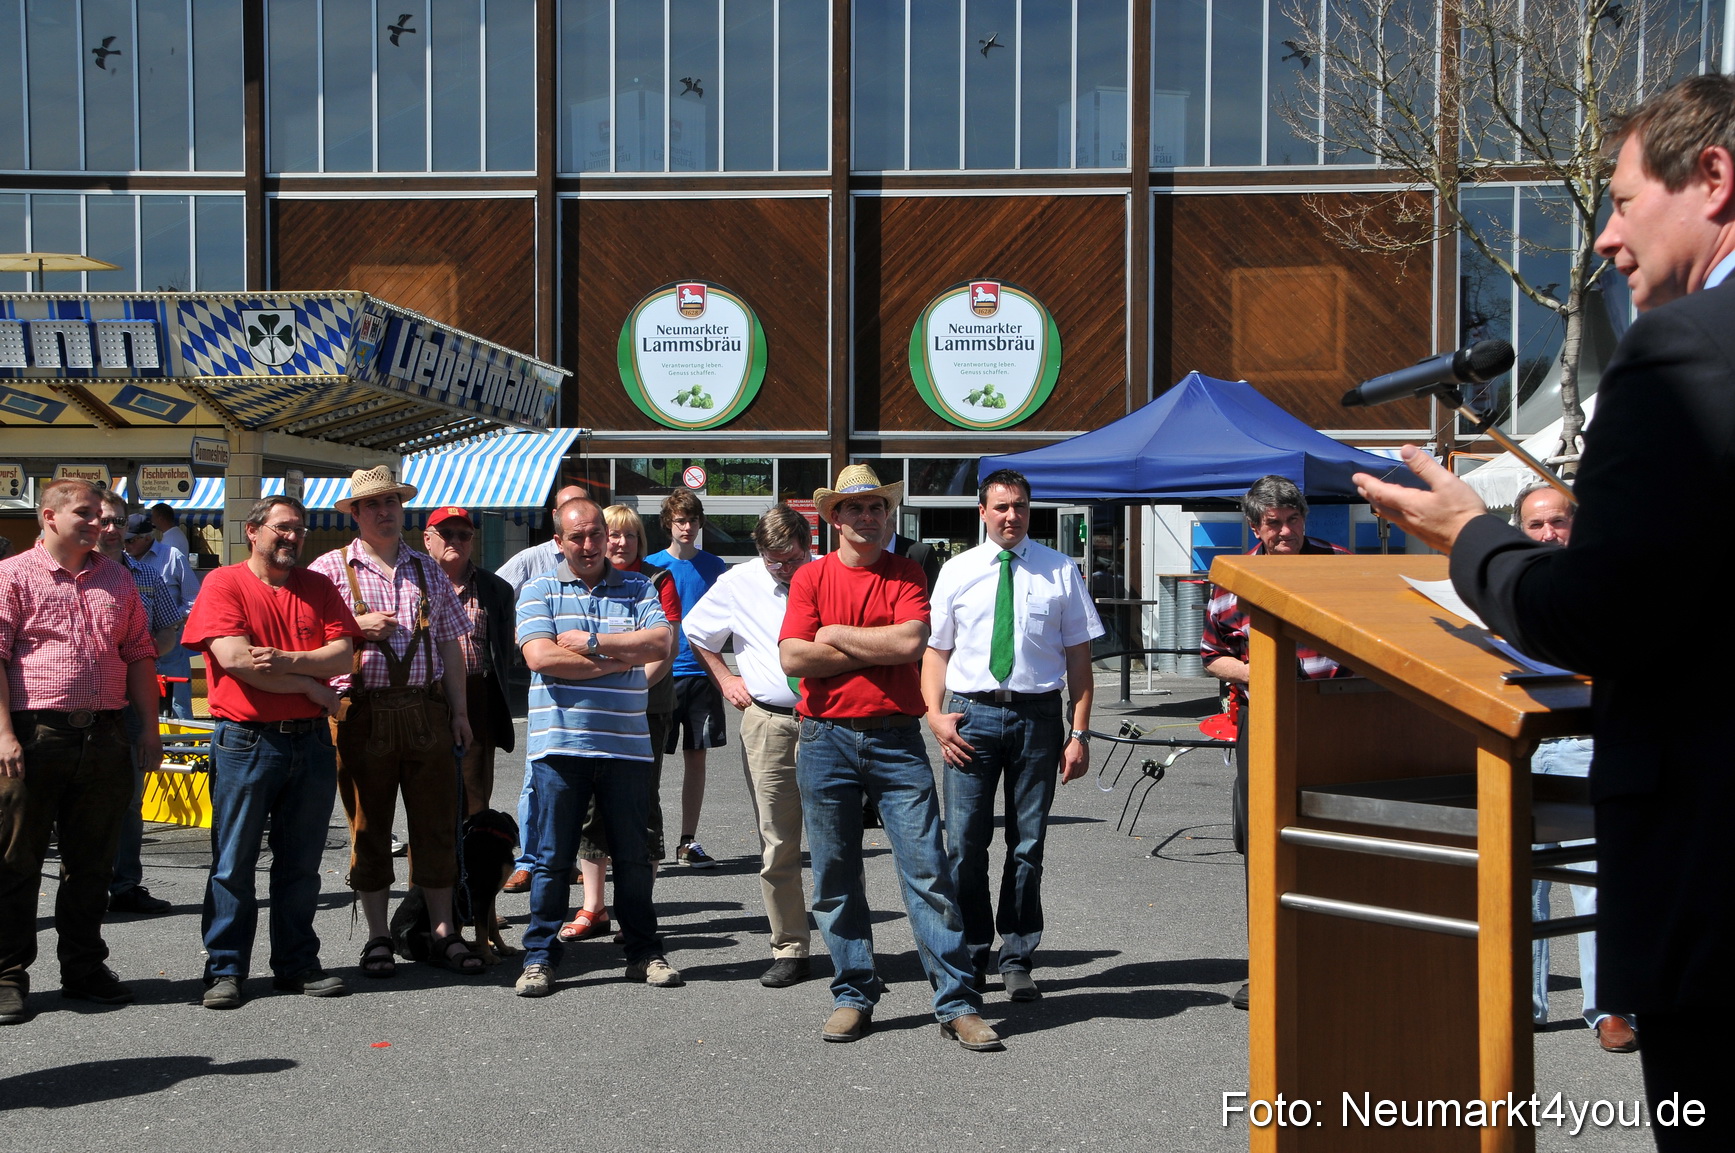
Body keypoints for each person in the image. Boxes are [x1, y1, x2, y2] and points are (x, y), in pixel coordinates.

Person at [1352, 73, 1735, 1150]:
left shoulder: (1688, 350)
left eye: (1619, 201)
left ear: (1711, 178)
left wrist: (1465, 534)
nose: (1606, 239)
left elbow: (1598, 615)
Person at [778, 464, 1000, 1051]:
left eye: (876, 508)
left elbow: (909, 643)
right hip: (824, 737)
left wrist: (834, 635)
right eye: (854, 509)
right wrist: (863, 645)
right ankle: (853, 992)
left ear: (886, 514)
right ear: (834, 518)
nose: (867, 518)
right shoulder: (810, 577)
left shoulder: (907, 572)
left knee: (927, 868)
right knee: (834, 873)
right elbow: (793, 660)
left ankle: (956, 1001)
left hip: (896, 738)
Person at [923, 469, 1103, 1002]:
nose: (1011, 516)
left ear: (1030, 511)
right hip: (970, 719)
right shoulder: (956, 571)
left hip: (1038, 719)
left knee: (1027, 844)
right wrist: (934, 715)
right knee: (964, 846)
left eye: (1020, 506)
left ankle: (1018, 953)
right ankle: (974, 952)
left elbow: (1080, 662)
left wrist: (1081, 733)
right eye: (1001, 507)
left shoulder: (1059, 570)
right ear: (982, 511)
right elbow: (936, 652)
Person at [182, 496, 361, 1009]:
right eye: (282, 528)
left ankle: (297, 963)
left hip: (309, 741)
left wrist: (288, 662)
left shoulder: (318, 586)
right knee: (234, 862)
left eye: (299, 530)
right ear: (252, 531)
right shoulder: (224, 583)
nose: (292, 537)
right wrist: (311, 686)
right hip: (246, 740)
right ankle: (225, 969)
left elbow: (343, 654)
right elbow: (237, 660)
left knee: (301, 863)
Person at [0, 479, 162, 1027]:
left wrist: (149, 730)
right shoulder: (12, 576)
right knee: (14, 861)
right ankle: (6, 975)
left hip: (106, 733)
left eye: (104, 517)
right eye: (86, 514)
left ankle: (84, 968)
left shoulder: (117, 578)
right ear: (49, 516)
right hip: (33, 733)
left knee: (92, 862)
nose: (100, 524)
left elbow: (140, 653)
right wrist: (3, 735)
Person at [307, 466, 478, 979]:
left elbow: (450, 642)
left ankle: (444, 931)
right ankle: (378, 936)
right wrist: (353, 628)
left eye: (392, 503)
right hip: (361, 713)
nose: (384, 511)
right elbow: (306, 642)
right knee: (369, 829)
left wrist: (462, 713)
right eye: (373, 504)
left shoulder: (427, 569)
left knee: (437, 827)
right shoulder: (328, 571)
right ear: (355, 513)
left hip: (426, 711)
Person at [513, 496, 680, 997]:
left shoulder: (637, 586)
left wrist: (588, 642)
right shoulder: (537, 589)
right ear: (559, 542)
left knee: (632, 856)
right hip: (559, 746)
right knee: (551, 858)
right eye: (577, 537)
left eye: (595, 534)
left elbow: (660, 645)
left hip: (626, 747)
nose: (588, 545)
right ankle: (540, 956)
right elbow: (540, 656)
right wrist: (617, 658)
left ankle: (644, 952)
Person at [1199, 474, 1353, 1011]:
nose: (1285, 531)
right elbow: (1209, 654)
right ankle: (1265, 965)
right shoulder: (1234, 577)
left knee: (1333, 838)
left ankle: (1334, 960)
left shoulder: (1341, 565)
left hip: (1334, 718)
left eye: (1293, 520)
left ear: (1305, 520)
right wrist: (1255, 671)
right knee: (1264, 845)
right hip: (1262, 720)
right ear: (1255, 527)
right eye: (1273, 523)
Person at [1509, 482, 1637, 1053]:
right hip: (1517, 745)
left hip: (1585, 744)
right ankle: (1523, 1003)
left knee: (1596, 885)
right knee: (1520, 883)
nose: (1548, 535)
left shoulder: (1607, 585)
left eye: (1557, 522)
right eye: (1535, 525)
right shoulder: (1506, 594)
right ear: (1519, 530)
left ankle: (1609, 1008)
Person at [684, 504, 815, 988]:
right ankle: (791, 947)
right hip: (769, 723)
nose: (781, 567)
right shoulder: (740, 582)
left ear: (807, 544)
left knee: (837, 840)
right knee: (777, 841)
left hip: (828, 721)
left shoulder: (824, 574)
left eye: (789, 557)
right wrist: (725, 680)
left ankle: (851, 948)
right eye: (771, 558)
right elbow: (697, 632)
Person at [556, 504, 680, 944]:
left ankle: (637, 910)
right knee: (590, 811)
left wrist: (628, 681)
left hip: (645, 705)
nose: (619, 543)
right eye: (612, 535)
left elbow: (661, 647)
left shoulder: (656, 581)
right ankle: (593, 906)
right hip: (591, 707)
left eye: (628, 536)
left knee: (639, 807)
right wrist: (622, 660)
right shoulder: (565, 584)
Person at [502, 484, 589, 892]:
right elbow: (497, 593)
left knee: (583, 787)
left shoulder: (598, 558)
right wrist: (521, 637)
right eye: (566, 509)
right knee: (536, 781)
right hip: (548, 692)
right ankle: (528, 859)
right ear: (556, 518)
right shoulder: (532, 560)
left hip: (592, 694)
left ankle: (568, 859)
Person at [99, 498, 183, 917]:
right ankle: (81, 883)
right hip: (79, 701)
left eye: (118, 523)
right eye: (105, 522)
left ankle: (125, 884)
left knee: (131, 797)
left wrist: (141, 651)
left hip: (132, 700)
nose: (112, 530)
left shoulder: (146, 575)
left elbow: (169, 628)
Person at [644, 490, 728, 868]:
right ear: (668, 523)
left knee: (697, 759)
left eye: (693, 520)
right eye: (680, 520)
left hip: (703, 674)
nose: (687, 527)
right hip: (659, 674)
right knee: (648, 764)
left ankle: (688, 841)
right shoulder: (649, 566)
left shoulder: (716, 566)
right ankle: (646, 837)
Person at [422, 506, 517, 817]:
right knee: (427, 793)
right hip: (424, 696)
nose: (455, 541)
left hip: (477, 695)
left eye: (464, 535)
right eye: (446, 534)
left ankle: (473, 863)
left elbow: (502, 651)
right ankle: (435, 864)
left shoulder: (496, 589)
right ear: (427, 539)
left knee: (474, 796)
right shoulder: (412, 582)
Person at [130, 511, 201, 719]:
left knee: (177, 701)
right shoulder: (121, 561)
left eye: (132, 540)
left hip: (169, 643)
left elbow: (193, 600)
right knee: (137, 702)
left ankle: (183, 746)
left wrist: (171, 623)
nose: (127, 545)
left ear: (147, 537)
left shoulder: (171, 556)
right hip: (134, 643)